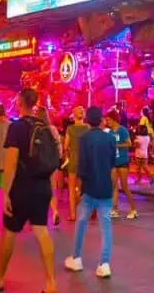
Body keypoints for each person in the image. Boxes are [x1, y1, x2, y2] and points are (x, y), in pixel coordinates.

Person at [0, 89, 58, 293]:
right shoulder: (45, 127)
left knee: (10, 231)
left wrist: (6, 192)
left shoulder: (17, 127)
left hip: (22, 188)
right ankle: (51, 283)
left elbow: (11, 162)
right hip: (42, 186)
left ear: (20, 102)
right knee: (41, 230)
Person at [64, 106, 116, 278]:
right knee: (106, 227)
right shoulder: (110, 139)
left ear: (87, 120)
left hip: (89, 187)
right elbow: (111, 163)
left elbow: (82, 165)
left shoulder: (83, 138)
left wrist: (79, 186)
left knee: (81, 224)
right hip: (105, 188)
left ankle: (76, 258)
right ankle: (104, 264)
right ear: (101, 119)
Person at [106, 110, 137, 219]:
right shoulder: (109, 132)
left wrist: (117, 145)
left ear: (114, 119)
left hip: (123, 161)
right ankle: (114, 209)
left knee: (124, 186)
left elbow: (129, 143)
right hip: (113, 162)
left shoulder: (123, 130)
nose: (107, 122)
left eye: (108, 120)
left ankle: (133, 209)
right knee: (113, 186)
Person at [36, 106, 63, 226]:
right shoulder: (53, 129)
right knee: (52, 189)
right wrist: (59, 158)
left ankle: (39, 215)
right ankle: (55, 211)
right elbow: (59, 146)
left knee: (37, 189)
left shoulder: (36, 129)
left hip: (39, 163)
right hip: (52, 163)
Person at [63, 106, 89, 222]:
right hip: (85, 161)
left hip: (73, 160)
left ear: (73, 116)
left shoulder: (70, 129)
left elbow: (65, 146)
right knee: (81, 188)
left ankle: (73, 215)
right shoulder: (88, 128)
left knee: (71, 188)